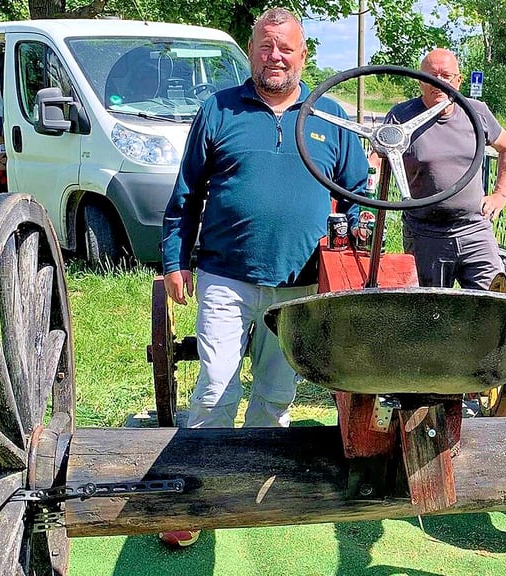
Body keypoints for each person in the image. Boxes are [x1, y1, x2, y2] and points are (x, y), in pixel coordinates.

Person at [159, 7, 368, 547]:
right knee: (215, 392)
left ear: (304, 55)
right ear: (251, 51)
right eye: (265, 46)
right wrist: (175, 260)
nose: (275, 57)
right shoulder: (219, 110)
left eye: (286, 48)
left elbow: (358, 197)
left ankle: (252, 489)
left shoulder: (330, 118)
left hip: (299, 286)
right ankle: (195, 496)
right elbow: (186, 195)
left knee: (275, 395)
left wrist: (354, 236)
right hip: (225, 275)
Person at [381, 48, 506, 290]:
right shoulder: (401, 117)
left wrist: (500, 195)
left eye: (446, 76)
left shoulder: (477, 113)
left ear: (459, 80)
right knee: (431, 313)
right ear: (419, 81)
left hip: (475, 229)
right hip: (426, 234)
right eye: (431, 76)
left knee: (492, 305)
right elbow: (377, 159)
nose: (439, 83)